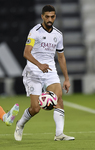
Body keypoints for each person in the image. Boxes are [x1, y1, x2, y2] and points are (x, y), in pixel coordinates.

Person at [14, 5, 75, 141]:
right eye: (47, 16)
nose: (49, 19)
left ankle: (59, 134)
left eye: (52, 16)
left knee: (58, 99)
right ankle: (20, 124)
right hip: (34, 71)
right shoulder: (35, 31)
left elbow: (61, 57)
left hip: (50, 71)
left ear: (54, 17)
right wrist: (39, 65)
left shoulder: (58, 35)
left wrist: (66, 78)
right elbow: (26, 53)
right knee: (35, 108)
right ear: (42, 16)